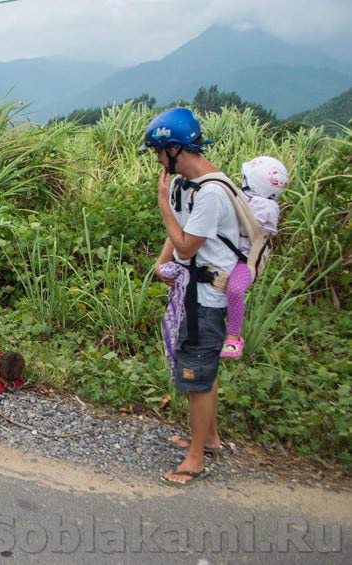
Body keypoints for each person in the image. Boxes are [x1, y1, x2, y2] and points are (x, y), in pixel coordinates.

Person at [142, 107, 239, 486]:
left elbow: (185, 246)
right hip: (193, 293)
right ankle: (209, 438)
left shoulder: (212, 193)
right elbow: (179, 237)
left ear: (175, 150)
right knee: (204, 371)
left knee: (196, 375)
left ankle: (195, 458)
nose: (157, 160)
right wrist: (161, 263)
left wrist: (162, 203)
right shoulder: (191, 187)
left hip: (207, 301)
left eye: (158, 152)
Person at [220, 156, 288, 359]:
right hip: (227, 254)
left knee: (235, 289)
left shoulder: (266, 207)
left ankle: (233, 337)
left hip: (246, 261)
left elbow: (248, 226)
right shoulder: (241, 196)